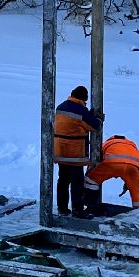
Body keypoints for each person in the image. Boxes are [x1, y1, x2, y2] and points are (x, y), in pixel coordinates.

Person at [53, 85, 102, 217]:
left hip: (60, 152)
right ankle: (78, 210)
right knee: (77, 183)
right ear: (83, 98)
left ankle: (62, 208)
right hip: (75, 154)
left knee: (63, 181)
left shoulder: (60, 107)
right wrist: (97, 118)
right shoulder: (81, 110)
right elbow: (93, 126)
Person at [83, 134, 139, 211]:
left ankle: (91, 206)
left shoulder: (107, 143)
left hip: (112, 163)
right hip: (134, 167)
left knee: (91, 180)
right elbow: (135, 164)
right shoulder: (132, 145)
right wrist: (130, 183)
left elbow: (98, 158)